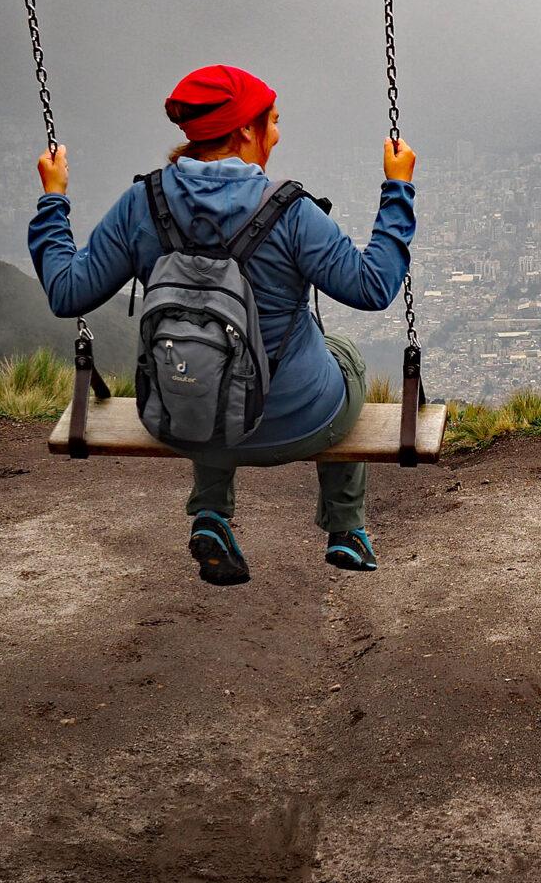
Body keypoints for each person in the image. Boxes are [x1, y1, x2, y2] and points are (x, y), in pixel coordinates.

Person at [28, 64, 417, 584]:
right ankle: (346, 528)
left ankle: (211, 513)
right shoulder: (291, 213)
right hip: (298, 422)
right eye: (272, 122)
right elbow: (374, 286)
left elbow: (67, 291)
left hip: (180, 423)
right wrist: (398, 189)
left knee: (200, 360)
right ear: (244, 131)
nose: (277, 135)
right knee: (342, 352)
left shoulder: (142, 204)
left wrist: (54, 198)